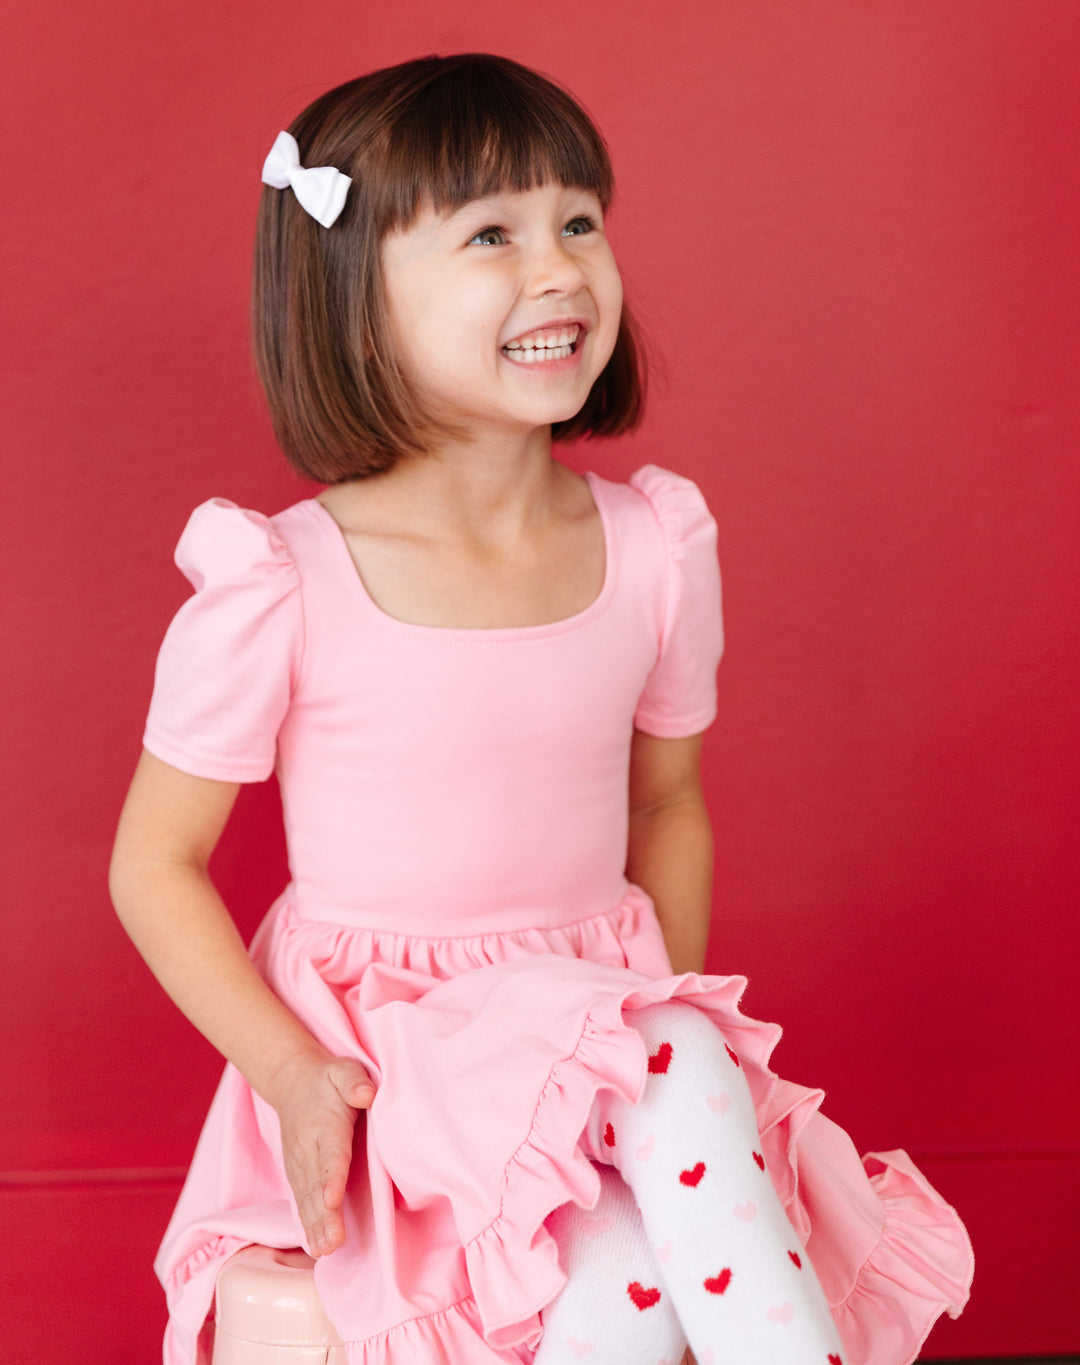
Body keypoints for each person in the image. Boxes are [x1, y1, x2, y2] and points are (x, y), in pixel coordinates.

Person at [109, 53, 972, 1365]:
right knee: (674, 1057)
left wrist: (651, 1036)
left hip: (614, 1047)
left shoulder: (656, 548)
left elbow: (665, 805)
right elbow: (152, 864)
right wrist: (289, 1071)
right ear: (355, 301)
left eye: (579, 219)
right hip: (399, 1076)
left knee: (625, 1267)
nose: (559, 266)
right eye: (492, 235)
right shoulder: (281, 580)